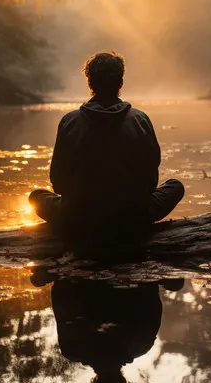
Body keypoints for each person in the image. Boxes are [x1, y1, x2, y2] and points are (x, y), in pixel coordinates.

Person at [28, 51, 184, 250]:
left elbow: (58, 183)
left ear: (90, 82)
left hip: (77, 217)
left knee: (35, 197)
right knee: (175, 186)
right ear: (120, 82)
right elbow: (151, 181)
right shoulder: (140, 119)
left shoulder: (69, 121)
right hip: (134, 216)